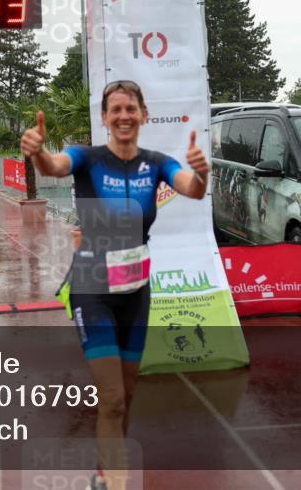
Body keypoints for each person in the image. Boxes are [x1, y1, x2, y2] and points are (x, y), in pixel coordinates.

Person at [20, 80, 209, 490]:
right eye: (116, 109)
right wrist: (37, 155)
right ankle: (115, 482)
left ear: (143, 114)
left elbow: (191, 190)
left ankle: (107, 472)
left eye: (131, 108)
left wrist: (203, 175)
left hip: (137, 293)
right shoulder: (88, 158)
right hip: (93, 290)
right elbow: (55, 166)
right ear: (105, 117)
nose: (124, 115)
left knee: (127, 391)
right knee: (112, 397)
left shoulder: (157, 163)